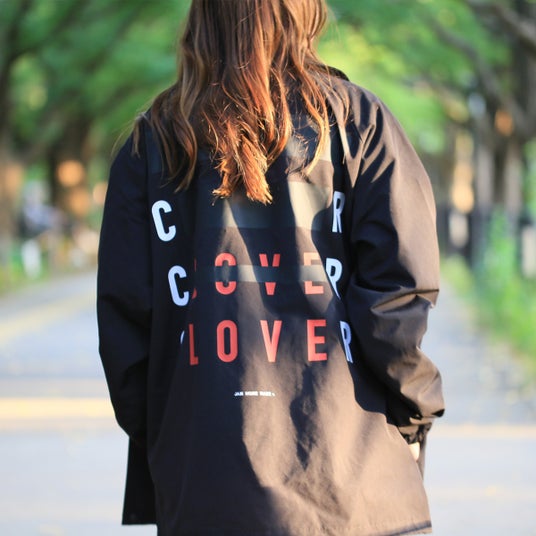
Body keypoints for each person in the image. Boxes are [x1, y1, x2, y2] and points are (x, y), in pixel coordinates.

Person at [97, 0, 445, 534]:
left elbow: (127, 336)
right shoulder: (358, 123)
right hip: (353, 486)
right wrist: (415, 412)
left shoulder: (150, 143)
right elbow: (397, 300)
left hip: (204, 486)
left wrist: (167, 438)